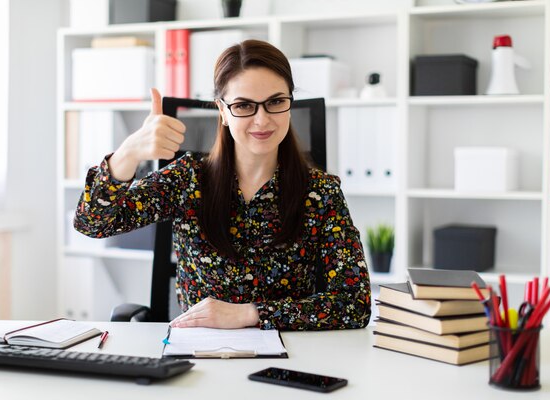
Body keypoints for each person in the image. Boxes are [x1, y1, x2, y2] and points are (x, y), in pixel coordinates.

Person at [74, 39, 371, 331]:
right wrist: (128, 154)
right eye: (243, 105)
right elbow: (92, 223)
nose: (262, 119)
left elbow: (355, 304)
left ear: (290, 104)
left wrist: (250, 314)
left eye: (276, 102)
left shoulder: (320, 191)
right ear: (222, 111)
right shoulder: (188, 179)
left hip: (289, 356)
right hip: (199, 355)